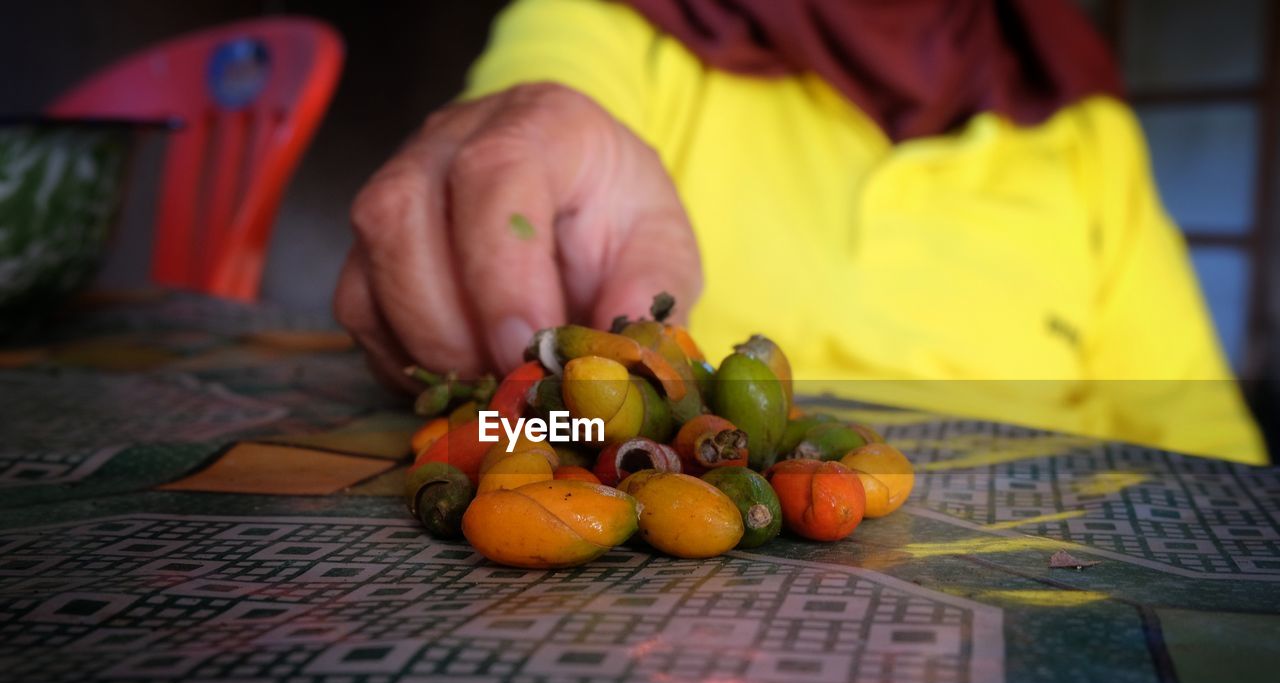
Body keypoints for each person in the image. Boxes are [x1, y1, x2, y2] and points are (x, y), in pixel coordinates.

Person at [334, 0, 1267, 465]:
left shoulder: (1085, 135)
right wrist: (505, 151)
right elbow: (546, 103)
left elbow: (1202, 445)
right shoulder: (622, 24)